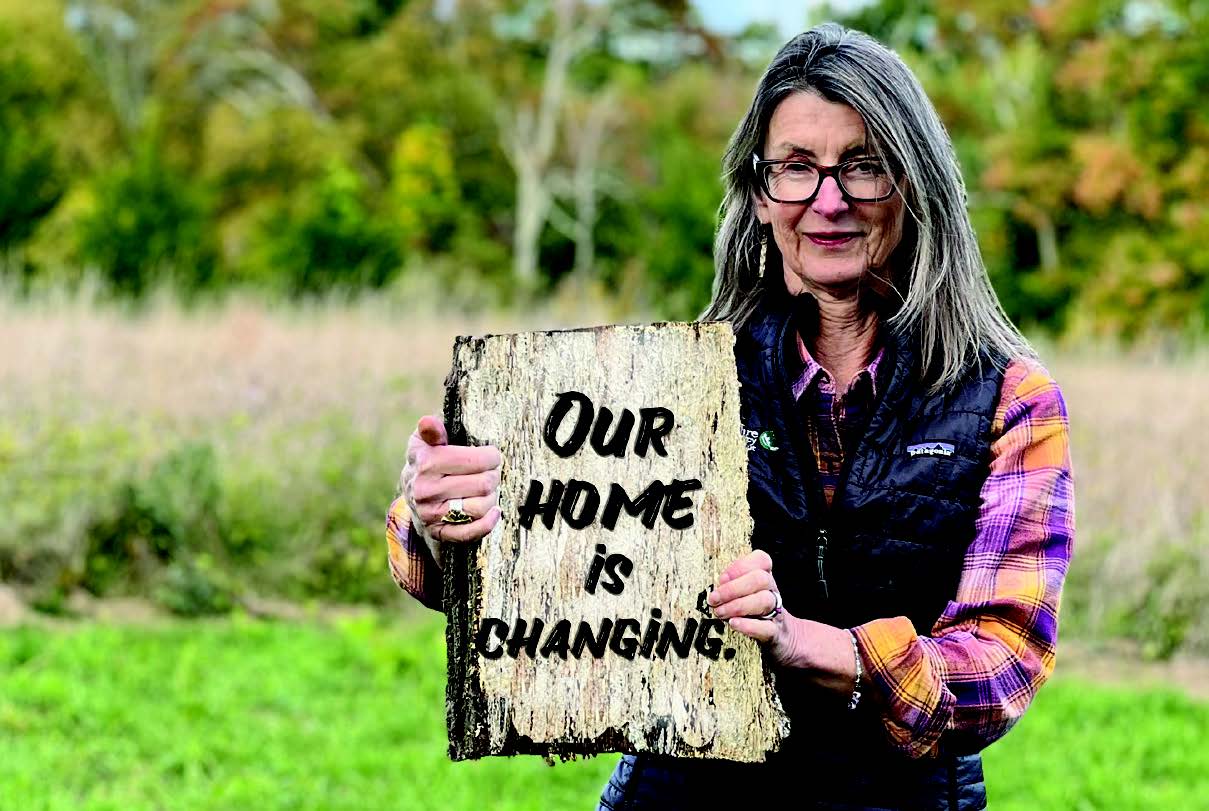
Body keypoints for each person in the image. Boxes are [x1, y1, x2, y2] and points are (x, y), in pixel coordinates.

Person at [386, 23, 1074, 811]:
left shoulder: (1008, 398)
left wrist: (803, 641)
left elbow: (1003, 656)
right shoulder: (679, 378)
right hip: (685, 791)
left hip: (899, 795)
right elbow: (506, 565)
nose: (828, 200)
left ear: (914, 183)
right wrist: (442, 522)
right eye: (796, 168)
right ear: (758, 192)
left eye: (863, 165)